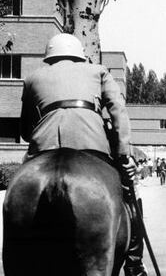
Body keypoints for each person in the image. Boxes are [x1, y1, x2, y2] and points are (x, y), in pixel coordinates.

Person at [20, 33, 147, 276]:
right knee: (130, 193)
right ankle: (134, 264)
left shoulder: (32, 77)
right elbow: (118, 110)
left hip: (43, 146)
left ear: (49, 55)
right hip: (91, 143)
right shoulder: (98, 71)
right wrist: (123, 156)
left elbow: (25, 130)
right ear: (80, 54)